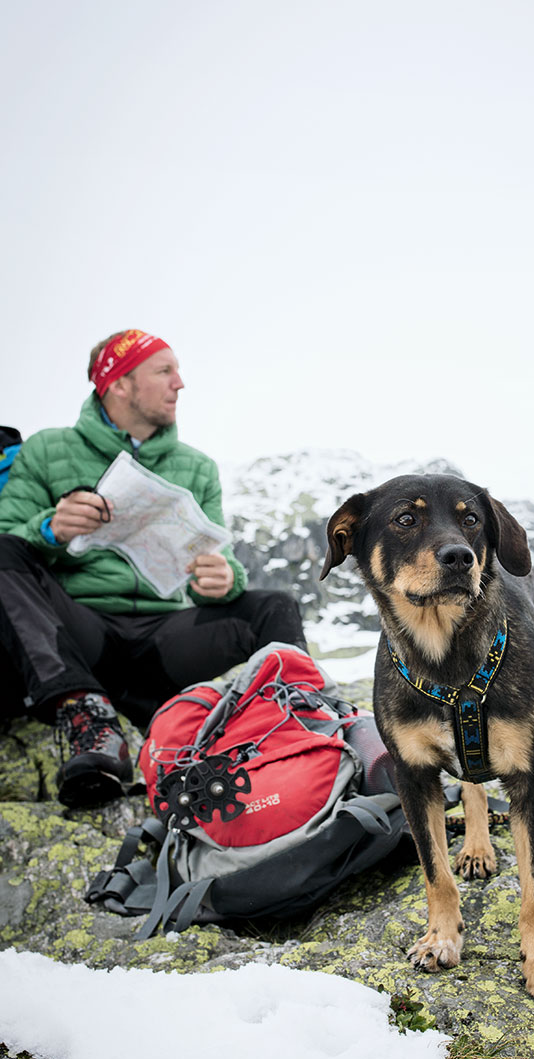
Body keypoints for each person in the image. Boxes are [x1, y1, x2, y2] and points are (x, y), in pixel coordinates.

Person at [0, 329, 306, 807]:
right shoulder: (46, 451)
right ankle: (89, 719)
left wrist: (226, 578)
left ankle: (303, 727)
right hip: (84, 632)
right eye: (164, 371)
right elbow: (9, 535)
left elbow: (217, 556)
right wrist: (49, 529)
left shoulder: (197, 467)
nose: (179, 383)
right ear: (118, 384)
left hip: (166, 639)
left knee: (275, 605)